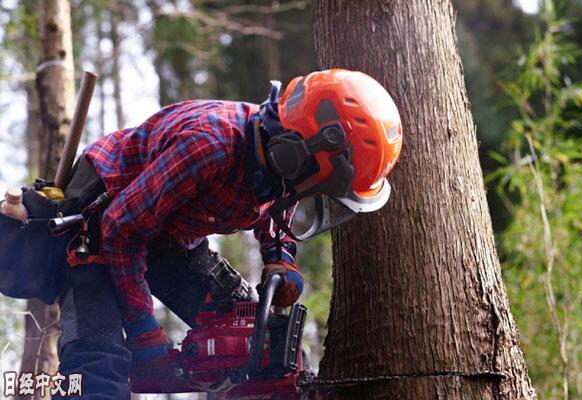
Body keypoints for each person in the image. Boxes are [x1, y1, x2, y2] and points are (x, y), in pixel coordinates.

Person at [56, 69, 403, 399]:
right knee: (99, 367)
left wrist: (279, 259)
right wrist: (143, 329)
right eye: (321, 185)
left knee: (263, 348)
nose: (316, 194)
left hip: (167, 231)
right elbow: (120, 229)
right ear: (296, 154)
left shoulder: (282, 162)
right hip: (100, 224)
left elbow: (278, 204)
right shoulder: (210, 147)